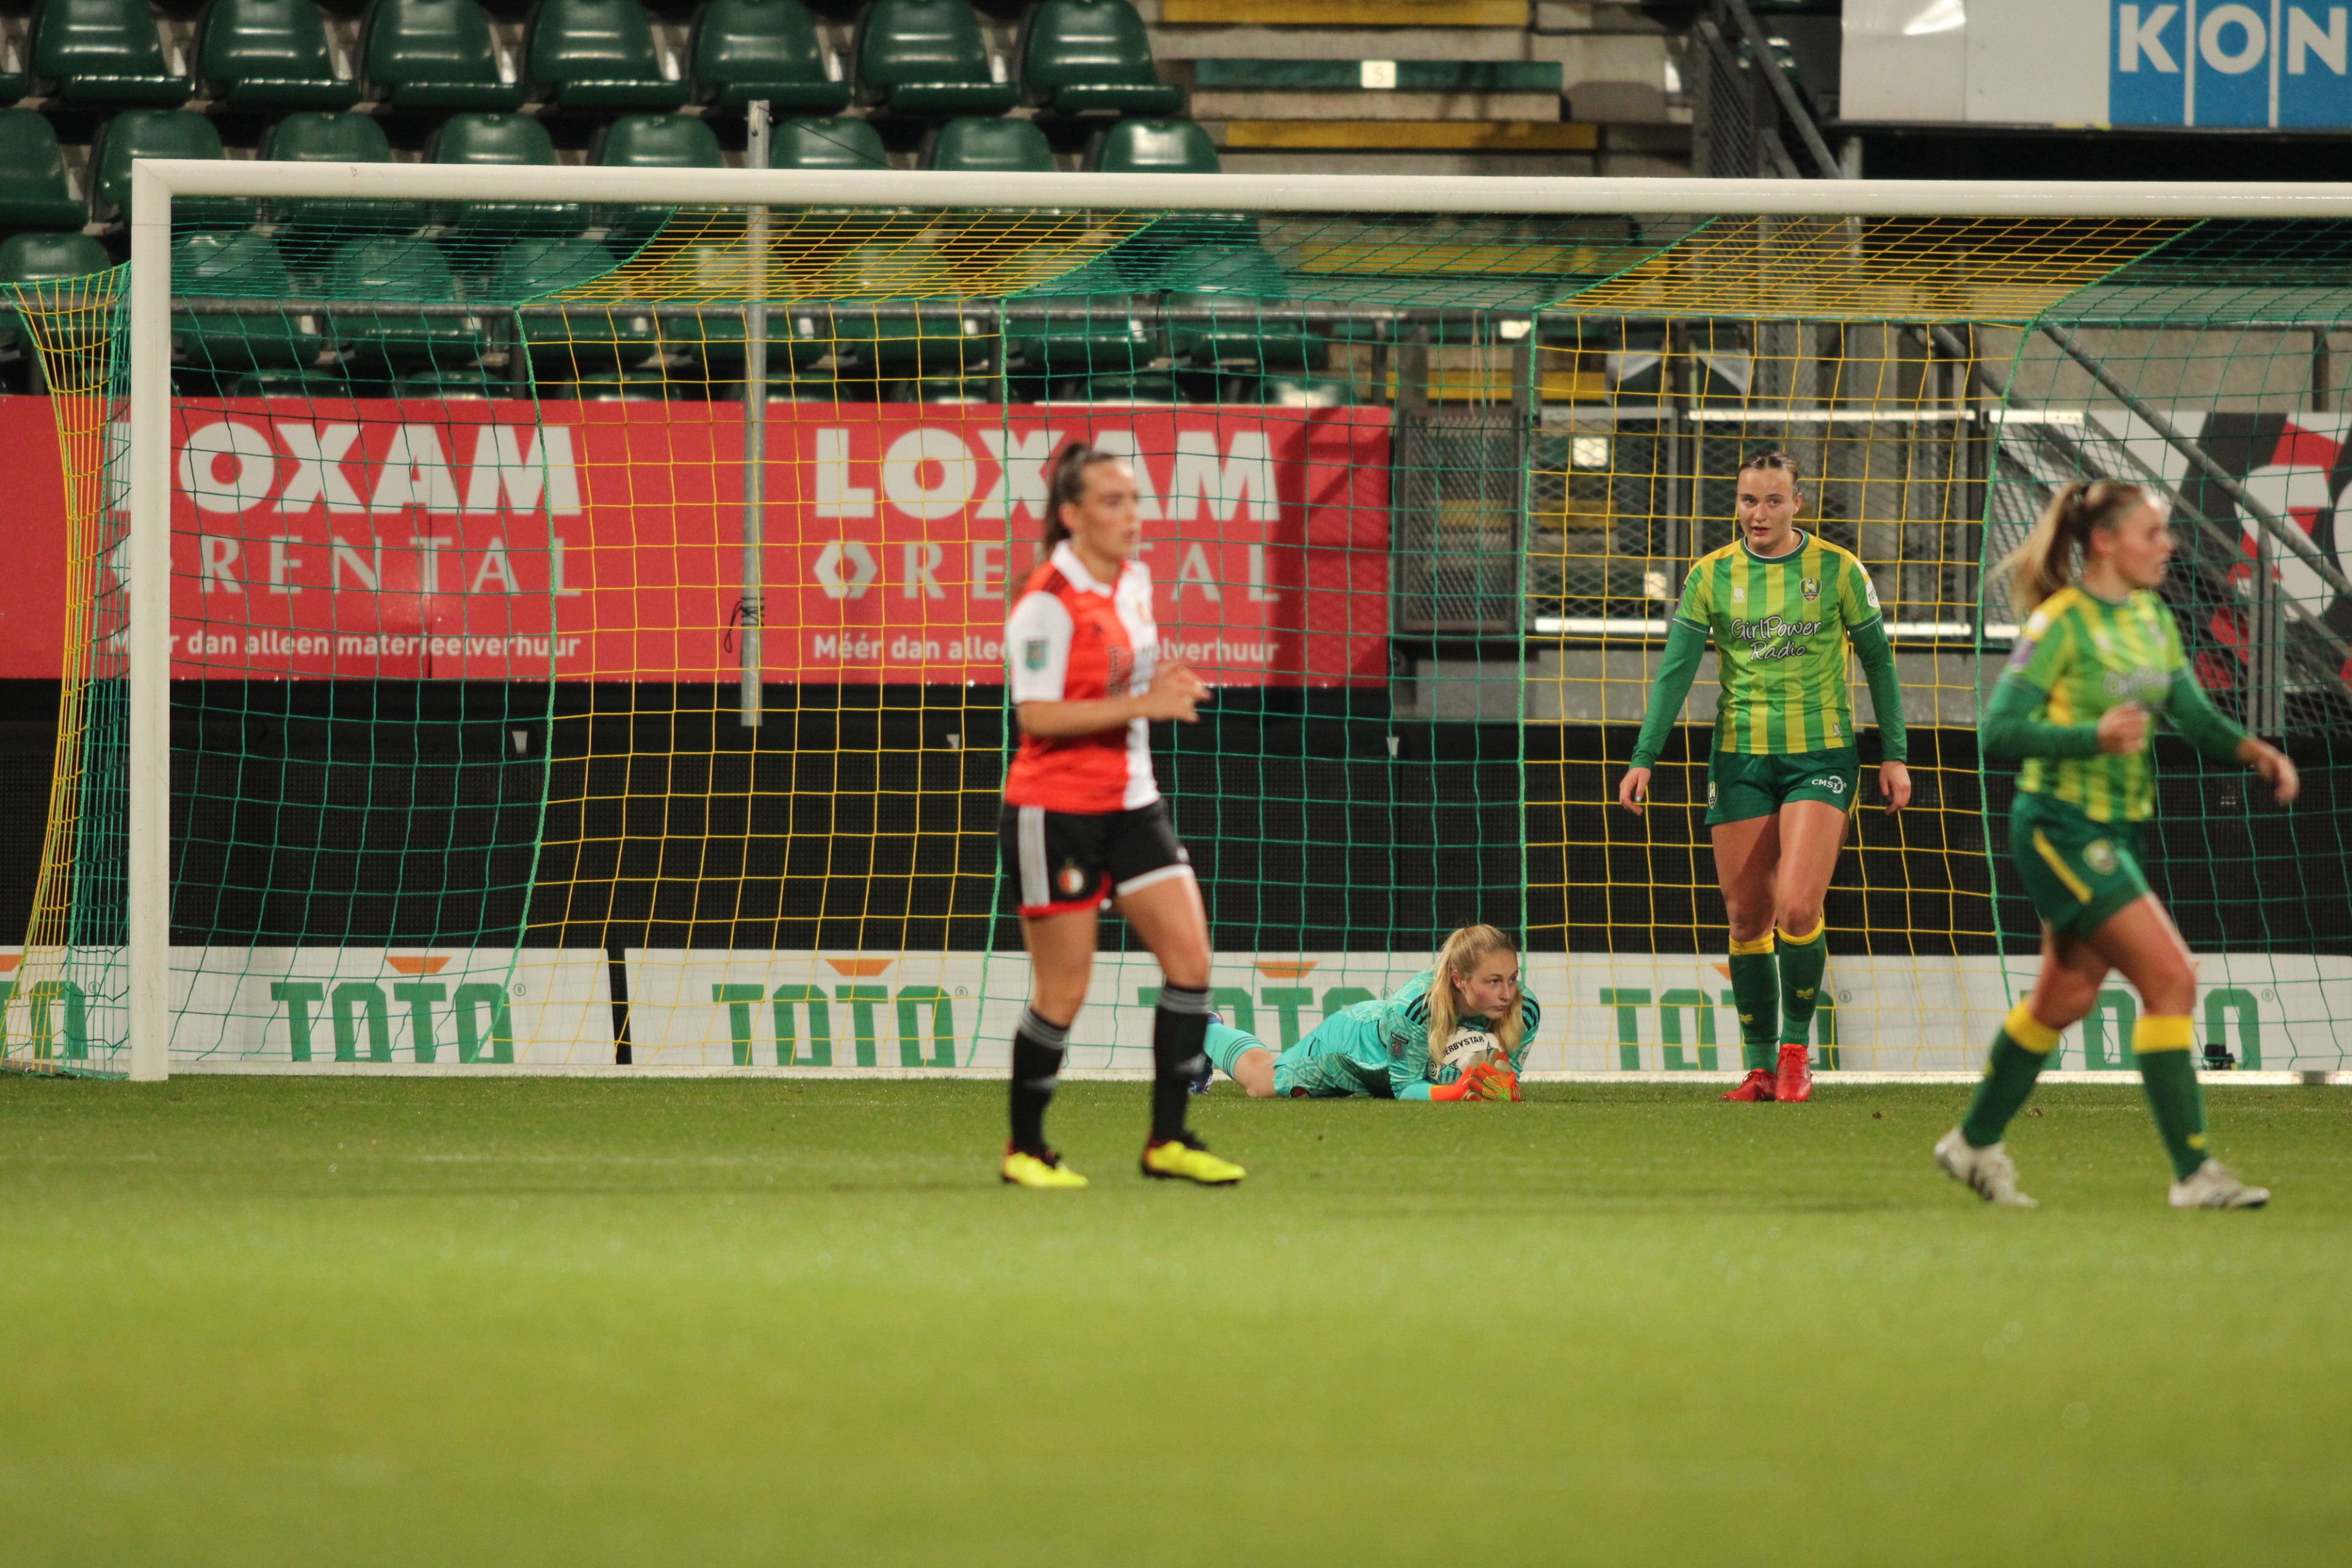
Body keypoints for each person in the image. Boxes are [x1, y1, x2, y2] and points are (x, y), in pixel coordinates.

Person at [1935, 481, 2296, 1209]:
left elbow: (2191, 716)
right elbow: (1998, 731)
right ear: (2106, 542)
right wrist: (2089, 736)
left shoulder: (2152, 618)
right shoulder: (2060, 624)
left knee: (2063, 996)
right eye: (2153, 534)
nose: (2168, 547)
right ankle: (2195, 1173)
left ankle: (1972, 1143)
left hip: (2112, 828)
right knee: (2172, 979)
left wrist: (2255, 750)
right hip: (2058, 826)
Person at [1616, 451, 1910, 1103]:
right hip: (1740, 761)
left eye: (1773, 500)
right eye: (1749, 500)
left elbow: (1880, 664)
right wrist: (1644, 756)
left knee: (1799, 907)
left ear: (1797, 504)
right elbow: (1675, 672)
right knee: (1747, 917)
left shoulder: (1838, 570)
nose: (1759, 513)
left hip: (1821, 758)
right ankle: (1756, 1067)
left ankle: (1796, 1054)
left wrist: (1895, 753)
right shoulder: (1710, 576)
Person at [995, 442, 1245, 1190]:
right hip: (1056, 809)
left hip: (1135, 802)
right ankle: (1026, 1151)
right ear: (1070, 516)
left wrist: (1160, 682)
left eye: (1135, 499)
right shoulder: (1045, 597)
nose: (1131, 515)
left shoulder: (1133, 581)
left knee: (1191, 964)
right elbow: (1036, 714)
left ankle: (1168, 1140)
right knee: (1063, 993)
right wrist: (1146, 701)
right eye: (1112, 501)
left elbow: (1121, 680)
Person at [1201, 925, 1539, 1101]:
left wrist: (1504, 1088)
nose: (1507, 993)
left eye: (1512, 979)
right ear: (1459, 981)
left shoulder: (1524, 1011)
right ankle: (1203, 1028)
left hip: (1394, 1073)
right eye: (1493, 982)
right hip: (1352, 1050)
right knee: (1262, 1085)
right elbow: (1406, 1089)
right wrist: (1459, 1092)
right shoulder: (1416, 1007)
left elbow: (1507, 1079)